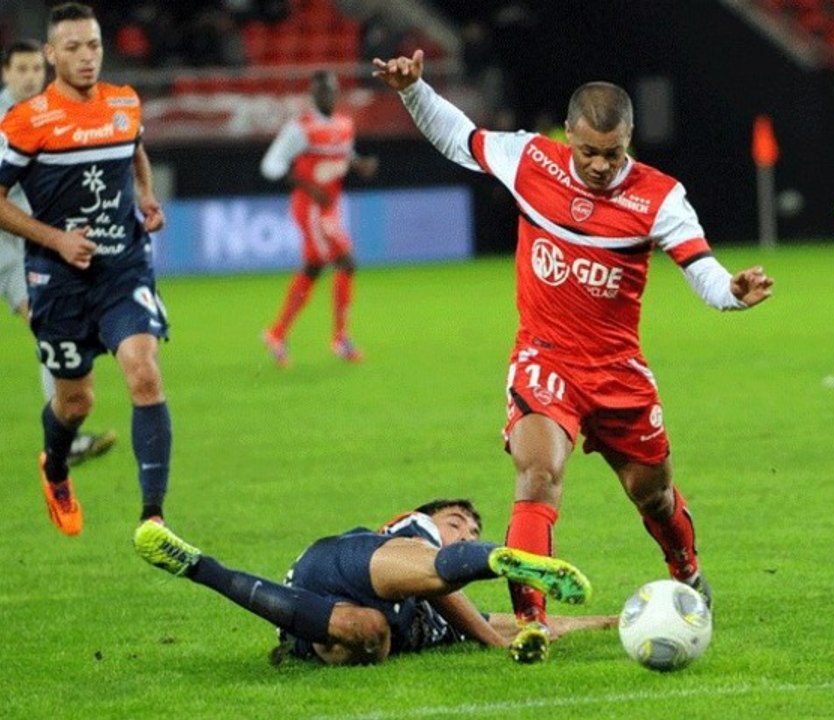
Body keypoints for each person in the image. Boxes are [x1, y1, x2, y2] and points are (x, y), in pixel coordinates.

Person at [373, 50, 775, 663]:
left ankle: (686, 569)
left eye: (612, 153)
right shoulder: (531, 159)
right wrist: (414, 91)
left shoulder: (659, 196)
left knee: (655, 497)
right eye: (588, 151)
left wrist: (732, 294)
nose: (599, 165)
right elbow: (460, 137)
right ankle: (531, 622)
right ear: (569, 136)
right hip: (546, 359)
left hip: (617, 373)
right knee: (538, 476)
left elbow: (702, 268)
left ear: (629, 140)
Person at [0, 3, 171, 536]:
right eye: (72, 47)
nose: (86, 56)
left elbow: (135, 148)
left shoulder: (124, 103)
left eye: (93, 45)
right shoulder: (27, 122)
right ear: (52, 54)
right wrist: (56, 239)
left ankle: (154, 517)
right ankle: (54, 465)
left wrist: (144, 196)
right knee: (76, 400)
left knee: (143, 372)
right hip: (59, 280)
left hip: (122, 268)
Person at [134, 498, 610, 665]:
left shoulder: (447, 615)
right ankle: (501, 559)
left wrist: (607, 622)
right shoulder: (414, 528)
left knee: (369, 636)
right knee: (427, 568)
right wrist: (488, 641)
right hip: (350, 564)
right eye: (457, 522)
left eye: (470, 532)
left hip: (345, 617)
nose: (462, 530)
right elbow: (465, 609)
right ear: (426, 515)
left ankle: (194, 564)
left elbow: (507, 624)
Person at [1, 38, 117, 467]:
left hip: (35, 240)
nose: (31, 77)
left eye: (36, 69)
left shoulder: (49, 113)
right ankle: (65, 438)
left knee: (49, 327)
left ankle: (65, 437)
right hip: (8, 243)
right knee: (48, 325)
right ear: (6, 74)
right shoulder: (6, 122)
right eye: (22, 69)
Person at [259, 69, 378, 366]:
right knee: (346, 261)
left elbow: (344, 153)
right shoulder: (300, 128)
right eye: (322, 91)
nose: (327, 95)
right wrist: (308, 186)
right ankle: (340, 339)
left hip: (328, 208)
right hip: (310, 207)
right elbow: (271, 165)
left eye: (331, 90)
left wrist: (359, 164)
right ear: (313, 94)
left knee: (314, 267)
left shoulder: (344, 124)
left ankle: (277, 333)